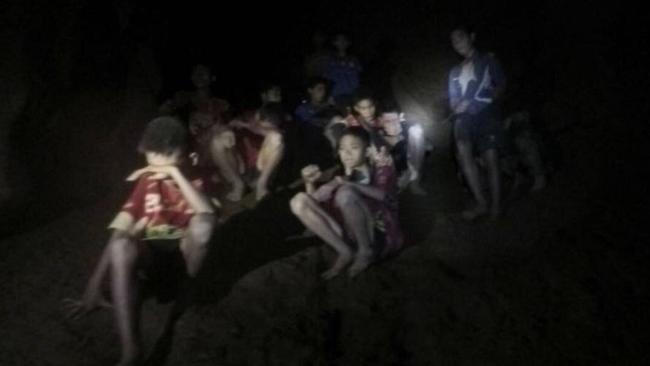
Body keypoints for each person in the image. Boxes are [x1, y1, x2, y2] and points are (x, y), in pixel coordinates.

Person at [64, 117, 216, 366]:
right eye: (152, 162)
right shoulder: (146, 182)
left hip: (185, 260)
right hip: (153, 259)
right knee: (121, 244)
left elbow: (207, 213)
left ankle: (184, 296)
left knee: (204, 226)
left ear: (186, 156)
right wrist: (93, 284)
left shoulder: (196, 179)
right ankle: (131, 352)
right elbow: (122, 229)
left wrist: (174, 173)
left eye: (166, 161)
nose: (157, 169)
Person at [290, 127, 403, 279]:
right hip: (347, 235)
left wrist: (350, 185)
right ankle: (344, 252)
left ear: (368, 151)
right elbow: (314, 206)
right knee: (299, 200)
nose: (347, 154)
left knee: (345, 193)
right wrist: (309, 183)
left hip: (376, 236)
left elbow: (388, 198)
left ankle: (365, 251)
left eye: (354, 148)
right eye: (342, 149)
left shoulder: (380, 170)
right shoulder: (339, 177)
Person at [448, 26, 506, 220]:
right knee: (464, 155)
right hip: (463, 120)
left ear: (472, 37)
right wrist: (456, 105)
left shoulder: (488, 60)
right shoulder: (454, 71)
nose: (458, 43)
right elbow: (453, 97)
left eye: (461, 37)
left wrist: (474, 103)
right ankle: (481, 202)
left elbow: (500, 87)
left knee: (491, 157)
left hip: (486, 115)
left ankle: (496, 206)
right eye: (454, 41)